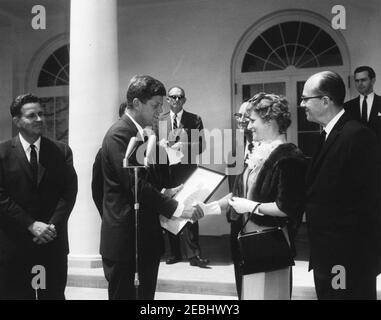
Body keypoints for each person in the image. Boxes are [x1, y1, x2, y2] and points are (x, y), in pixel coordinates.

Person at [100, 75, 203, 300]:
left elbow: (145, 182)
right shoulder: (120, 134)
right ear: (137, 103)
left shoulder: (143, 133)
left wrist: (165, 192)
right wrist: (176, 208)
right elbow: (134, 184)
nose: (159, 112)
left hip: (144, 239)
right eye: (155, 106)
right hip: (127, 243)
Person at [201, 93, 307, 299]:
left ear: (269, 120)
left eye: (252, 120)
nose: (248, 126)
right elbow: (238, 195)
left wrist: (251, 207)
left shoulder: (290, 157)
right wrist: (206, 209)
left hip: (270, 243)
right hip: (248, 243)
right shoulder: (256, 152)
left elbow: (287, 208)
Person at [301, 71, 380, 299]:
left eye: (306, 99)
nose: (302, 104)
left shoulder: (357, 136)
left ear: (325, 101)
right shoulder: (327, 134)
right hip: (328, 256)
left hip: (347, 260)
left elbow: (371, 204)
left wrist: (356, 263)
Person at [0, 93, 78, 300]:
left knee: (50, 296)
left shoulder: (61, 152)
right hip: (15, 247)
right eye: (31, 115)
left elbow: (68, 192)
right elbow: (1, 197)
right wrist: (30, 224)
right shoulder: (3, 153)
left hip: (51, 246)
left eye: (41, 114)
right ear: (17, 121)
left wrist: (51, 226)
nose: (39, 119)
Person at [158, 86, 208, 267]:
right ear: (168, 100)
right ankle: (175, 253)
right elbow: (152, 146)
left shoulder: (194, 119)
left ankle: (194, 254)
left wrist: (183, 146)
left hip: (187, 171)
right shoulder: (160, 120)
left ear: (184, 100)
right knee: (171, 209)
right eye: (173, 97)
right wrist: (160, 145)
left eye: (180, 97)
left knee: (191, 210)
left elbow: (201, 146)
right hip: (168, 172)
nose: (176, 100)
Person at [91, 102, 128, 217]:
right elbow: (97, 190)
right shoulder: (104, 152)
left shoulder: (147, 148)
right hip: (117, 220)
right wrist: (107, 217)